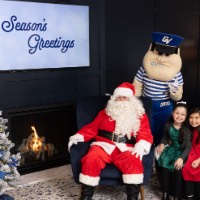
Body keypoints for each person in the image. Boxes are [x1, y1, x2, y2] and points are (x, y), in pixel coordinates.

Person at [68, 82, 153, 200]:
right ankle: (86, 196)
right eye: (119, 97)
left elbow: (145, 132)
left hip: (126, 147)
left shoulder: (140, 115)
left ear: (131, 100)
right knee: (91, 158)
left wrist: (140, 145)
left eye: (125, 98)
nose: (121, 100)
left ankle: (133, 197)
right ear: (114, 99)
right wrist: (79, 136)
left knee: (133, 161)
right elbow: (93, 127)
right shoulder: (105, 112)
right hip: (103, 145)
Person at [133, 32, 184, 146]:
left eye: (167, 54)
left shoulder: (176, 74)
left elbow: (178, 96)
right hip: (147, 104)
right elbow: (137, 85)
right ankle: (148, 156)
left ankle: (159, 156)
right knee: (146, 131)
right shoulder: (144, 69)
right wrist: (135, 102)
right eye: (159, 52)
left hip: (164, 105)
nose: (161, 58)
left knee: (163, 131)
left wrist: (174, 92)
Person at [155, 102, 192, 200]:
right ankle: (165, 193)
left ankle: (177, 195)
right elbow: (165, 137)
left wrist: (181, 158)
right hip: (171, 149)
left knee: (177, 168)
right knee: (164, 163)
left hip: (182, 151)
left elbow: (188, 146)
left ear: (186, 116)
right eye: (177, 113)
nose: (179, 116)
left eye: (182, 114)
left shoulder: (187, 130)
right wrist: (162, 144)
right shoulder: (168, 125)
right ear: (172, 113)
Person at [182, 107, 200, 200]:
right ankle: (190, 196)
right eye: (191, 117)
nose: (193, 120)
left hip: (199, 155)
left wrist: (199, 160)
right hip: (192, 153)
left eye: (197, 118)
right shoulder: (189, 129)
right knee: (186, 168)